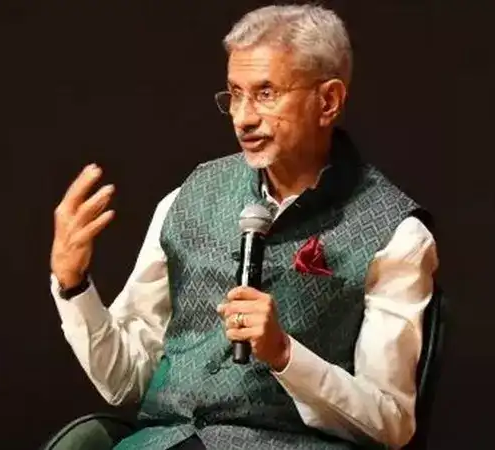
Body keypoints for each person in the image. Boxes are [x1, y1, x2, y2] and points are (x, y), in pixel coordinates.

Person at [49, 4, 438, 450]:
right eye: (235, 94)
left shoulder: (395, 233)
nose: (243, 118)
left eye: (266, 93)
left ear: (328, 101)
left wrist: (285, 354)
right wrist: (73, 285)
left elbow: (391, 422)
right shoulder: (188, 198)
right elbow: (126, 379)